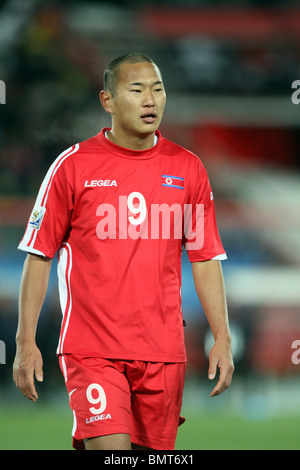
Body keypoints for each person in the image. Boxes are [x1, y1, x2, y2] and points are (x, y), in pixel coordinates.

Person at [13, 53, 234, 451]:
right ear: (107, 100)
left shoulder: (189, 169)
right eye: (137, 90)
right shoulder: (72, 166)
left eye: (158, 89)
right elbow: (38, 255)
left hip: (164, 352)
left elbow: (204, 259)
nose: (151, 100)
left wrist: (222, 337)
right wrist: (25, 342)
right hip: (92, 349)